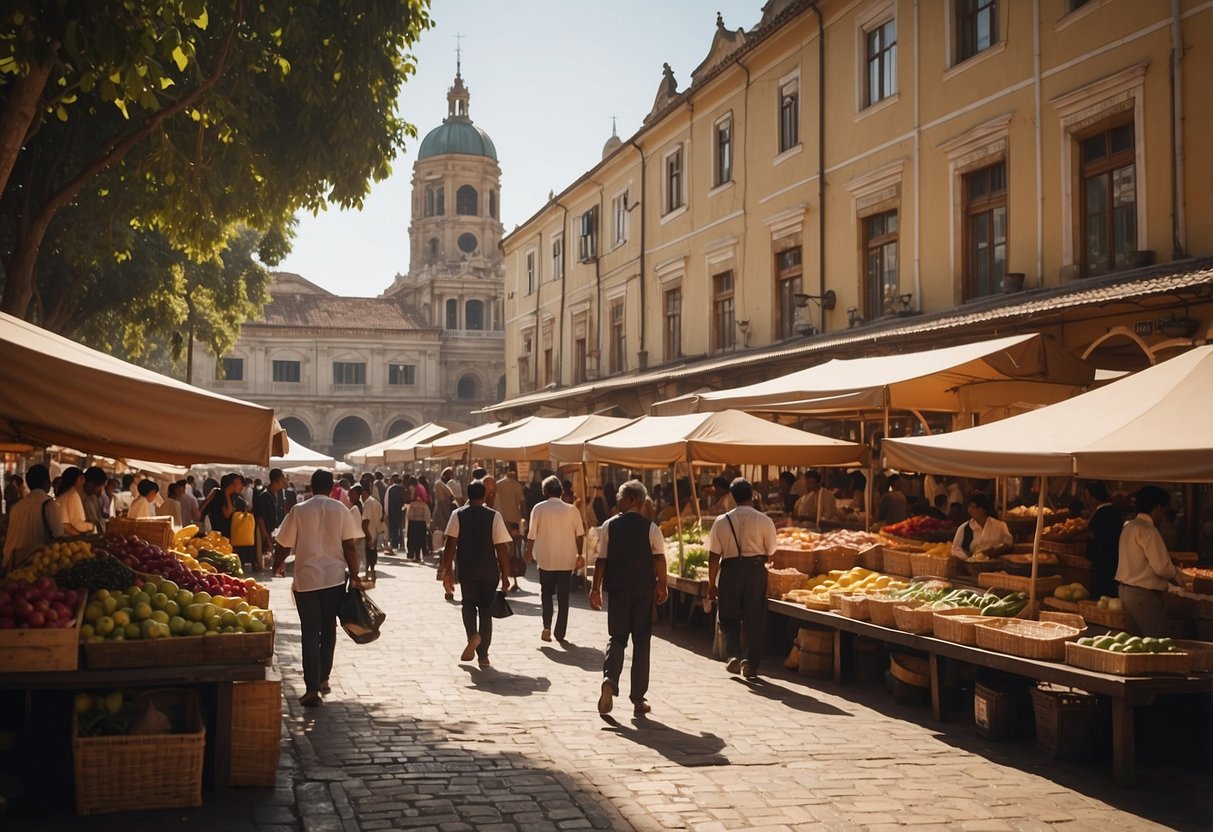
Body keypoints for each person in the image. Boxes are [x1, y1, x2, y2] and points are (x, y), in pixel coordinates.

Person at [272, 469, 366, 706]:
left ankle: (312, 687)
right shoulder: (341, 510)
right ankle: (324, 678)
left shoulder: (300, 510)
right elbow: (350, 546)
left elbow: (283, 543)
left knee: (310, 632)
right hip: (334, 579)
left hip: (307, 580)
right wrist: (355, 575)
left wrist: (277, 563)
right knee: (329, 629)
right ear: (331, 486)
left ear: (312, 486)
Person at [590, 480, 668, 716]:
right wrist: (662, 584)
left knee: (617, 637)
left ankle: (609, 679)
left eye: (620, 497)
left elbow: (601, 560)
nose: (617, 501)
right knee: (642, 642)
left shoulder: (609, 526)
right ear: (640, 502)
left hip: (618, 591)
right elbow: (659, 559)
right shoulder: (651, 528)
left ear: (631, 500)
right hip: (643, 590)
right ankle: (637, 698)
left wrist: (596, 588)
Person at [707, 478, 777, 680]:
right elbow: (771, 550)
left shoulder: (721, 521)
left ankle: (734, 655)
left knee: (728, 615)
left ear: (732, 496)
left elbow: (713, 556)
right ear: (752, 495)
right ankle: (750, 662)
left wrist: (712, 584)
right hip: (755, 571)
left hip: (729, 570)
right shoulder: (765, 520)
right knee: (754, 616)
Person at [440, 481, 512, 668]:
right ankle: (483, 656)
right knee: (486, 612)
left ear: (468, 495)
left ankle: (473, 635)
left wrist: (446, 570)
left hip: (467, 569)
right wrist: (506, 575)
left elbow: (450, 545)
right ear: (485, 495)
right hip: (489, 570)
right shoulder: (494, 516)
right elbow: (501, 548)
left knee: (468, 605)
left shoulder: (458, 515)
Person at [526, 475, 586, 643]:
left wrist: (528, 551)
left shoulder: (539, 508)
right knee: (563, 596)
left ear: (545, 492)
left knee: (546, 593)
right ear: (561, 491)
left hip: (545, 558)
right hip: (566, 559)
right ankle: (560, 632)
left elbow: (531, 534)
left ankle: (546, 627)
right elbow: (579, 535)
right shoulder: (572, 509)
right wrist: (579, 554)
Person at [1116, 486, 1178, 637]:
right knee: (1160, 642)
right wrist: (1177, 573)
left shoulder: (1129, 526)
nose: (1163, 515)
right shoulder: (1148, 530)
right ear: (1157, 508)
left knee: (1136, 642)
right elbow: (1162, 568)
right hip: (1143, 595)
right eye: (1164, 510)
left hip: (1125, 591)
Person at [2, 465, 65, 568]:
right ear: (46, 482)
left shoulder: (16, 506)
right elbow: (59, 537)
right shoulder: (49, 505)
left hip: (10, 563)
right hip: (32, 564)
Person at [1084, 481, 1122, 599]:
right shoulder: (1115, 512)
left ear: (1093, 497)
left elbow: (1093, 535)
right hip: (1114, 564)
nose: (1087, 500)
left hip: (1102, 566)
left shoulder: (1101, 514)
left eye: (1087, 496)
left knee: (1100, 597)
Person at [950, 494, 1013, 559]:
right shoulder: (964, 527)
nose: (970, 510)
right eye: (969, 507)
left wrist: (995, 551)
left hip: (996, 564)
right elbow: (955, 548)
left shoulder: (1000, 525)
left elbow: (1008, 545)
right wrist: (967, 559)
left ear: (983, 509)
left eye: (973, 507)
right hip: (974, 565)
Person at [253, 469, 287, 572]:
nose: (284, 481)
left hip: (273, 531)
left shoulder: (278, 494)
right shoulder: (264, 496)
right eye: (282, 479)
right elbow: (260, 518)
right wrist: (266, 536)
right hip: (264, 532)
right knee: (263, 558)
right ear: (276, 481)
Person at [495, 466, 528, 571]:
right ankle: (514, 570)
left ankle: (504, 570)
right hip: (515, 520)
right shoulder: (517, 485)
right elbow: (522, 504)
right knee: (516, 547)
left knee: (504, 547)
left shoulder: (498, 484)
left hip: (501, 519)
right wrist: (525, 519)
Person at [199, 473, 245, 539]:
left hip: (218, 535)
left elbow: (201, 509)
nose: (242, 486)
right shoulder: (221, 496)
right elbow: (227, 513)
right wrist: (226, 493)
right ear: (231, 484)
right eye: (239, 483)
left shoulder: (216, 493)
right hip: (223, 536)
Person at [56, 467, 95, 535]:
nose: (84, 481)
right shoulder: (73, 495)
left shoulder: (63, 495)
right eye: (81, 478)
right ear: (76, 479)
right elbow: (77, 523)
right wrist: (92, 526)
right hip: (70, 538)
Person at [359, 475, 385, 578]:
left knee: (367, 556)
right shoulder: (376, 502)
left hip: (368, 535)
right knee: (372, 556)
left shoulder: (368, 503)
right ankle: (371, 572)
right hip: (374, 533)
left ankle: (367, 573)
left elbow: (366, 521)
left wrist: (368, 535)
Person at [405, 487, 432, 562]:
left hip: (413, 524)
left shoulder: (412, 505)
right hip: (421, 524)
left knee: (412, 540)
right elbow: (427, 516)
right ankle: (417, 556)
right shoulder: (424, 505)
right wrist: (428, 524)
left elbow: (409, 515)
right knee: (420, 540)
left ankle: (412, 554)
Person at [81, 466, 109, 533]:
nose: (100, 490)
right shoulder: (78, 497)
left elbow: (97, 519)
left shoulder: (94, 497)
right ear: (91, 483)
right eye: (99, 486)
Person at [385, 474, 406, 553]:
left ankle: (394, 543)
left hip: (391, 511)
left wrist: (386, 513)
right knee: (400, 528)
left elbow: (386, 501)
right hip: (400, 511)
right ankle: (401, 543)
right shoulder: (402, 489)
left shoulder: (390, 489)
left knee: (393, 528)